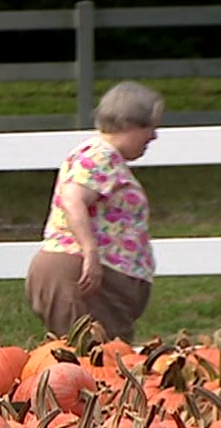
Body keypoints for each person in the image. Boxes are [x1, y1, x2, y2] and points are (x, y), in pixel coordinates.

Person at [25, 80, 164, 342]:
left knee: (95, 361)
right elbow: (73, 198)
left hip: (88, 281)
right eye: (150, 127)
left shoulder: (100, 156)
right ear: (127, 124)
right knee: (96, 366)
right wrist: (90, 253)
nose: (154, 136)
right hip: (81, 278)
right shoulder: (101, 156)